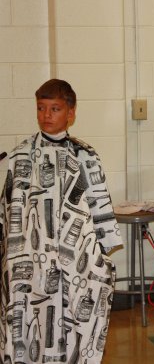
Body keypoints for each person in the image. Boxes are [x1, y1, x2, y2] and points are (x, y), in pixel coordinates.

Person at [0, 79, 123, 363]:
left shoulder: (85, 156)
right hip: (28, 263)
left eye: (55, 109)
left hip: (73, 262)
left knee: (69, 324)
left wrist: (103, 252)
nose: (46, 115)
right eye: (41, 108)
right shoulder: (20, 156)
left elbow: (99, 204)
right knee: (28, 324)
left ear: (71, 113)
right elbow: (9, 210)